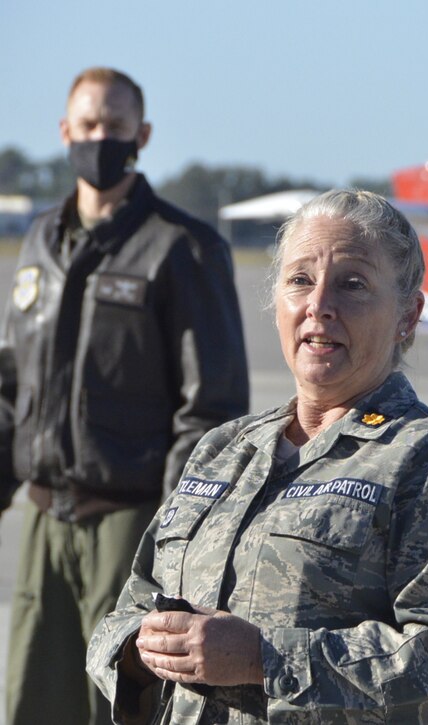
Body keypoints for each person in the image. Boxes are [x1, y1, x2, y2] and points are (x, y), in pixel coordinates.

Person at [87, 189, 428, 723]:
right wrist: (135, 652)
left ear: (409, 316)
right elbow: (130, 607)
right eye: (300, 281)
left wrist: (263, 659)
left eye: (353, 285)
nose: (319, 306)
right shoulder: (224, 450)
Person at [0, 67, 250, 725]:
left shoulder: (183, 248)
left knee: (120, 703)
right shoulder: (39, 245)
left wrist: (175, 538)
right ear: (64, 132)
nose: (99, 138)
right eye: (87, 125)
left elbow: (210, 408)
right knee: (33, 700)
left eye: (114, 126)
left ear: (142, 135)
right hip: (45, 521)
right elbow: (11, 386)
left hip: (131, 521)